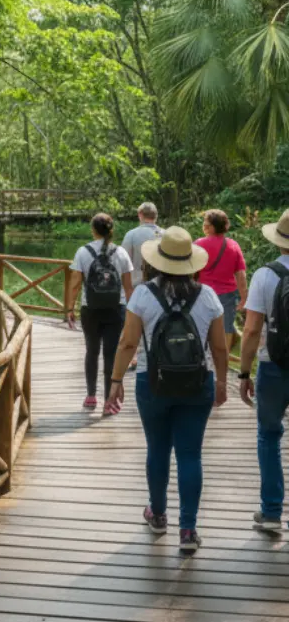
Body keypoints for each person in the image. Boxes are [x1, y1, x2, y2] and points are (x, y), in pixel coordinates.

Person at [107, 226, 228, 555]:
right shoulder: (208, 297)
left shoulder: (143, 295)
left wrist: (116, 381)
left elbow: (128, 342)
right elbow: (219, 347)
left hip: (152, 383)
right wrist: (221, 381)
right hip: (197, 383)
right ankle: (188, 530)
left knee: (157, 450)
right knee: (190, 454)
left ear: (158, 262)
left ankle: (157, 514)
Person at [238, 209, 289, 533]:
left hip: (273, 366)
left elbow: (252, 330)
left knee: (269, 436)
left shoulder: (265, 275)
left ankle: (271, 513)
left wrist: (243, 373)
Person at [65, 213, 134, 413]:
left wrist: (70, 308)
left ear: (93, 230)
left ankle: (90, 396)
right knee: (111, 354)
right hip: (117, 309)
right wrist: (131, 312)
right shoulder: (121, 253)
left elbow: (76, 283)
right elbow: (128, 287)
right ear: (111, 229)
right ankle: (108, 401)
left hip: (90, 309)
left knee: (92, 351)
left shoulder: (82, 252)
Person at [195, 209, 248, 355]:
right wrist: (244, 297)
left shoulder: (199, 244)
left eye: (206, 222)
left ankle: (203, 360)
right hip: (227, 296)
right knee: (226, 329)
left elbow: (191, 270)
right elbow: (241, 274)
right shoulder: (233, 246)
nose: (203, 225)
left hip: (202, 294)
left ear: (211, 226)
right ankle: (222, 370)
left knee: (202, 327)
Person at [121, 201, 162, 289]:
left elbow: (123, 263)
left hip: (136, 286)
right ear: (156, 216)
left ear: (140, 215)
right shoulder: (166, 235)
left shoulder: (131, 235)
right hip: (161, 286)